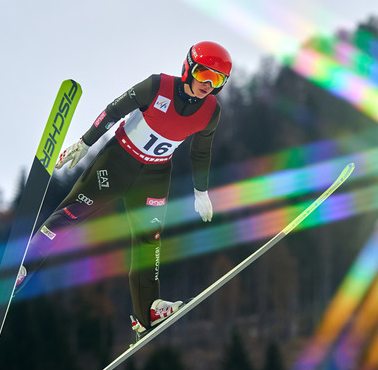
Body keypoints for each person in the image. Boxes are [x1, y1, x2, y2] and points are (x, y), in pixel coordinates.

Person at [14, 41, 232, 340]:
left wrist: (201, 191)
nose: (208, 84)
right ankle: (22, 269)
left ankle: (148, 312)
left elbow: (201, 152)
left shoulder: (210, 112)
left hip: (155, 175)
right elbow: (114, 110)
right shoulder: (157, 86)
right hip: (118, 162)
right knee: (71, 213)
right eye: (204, 74)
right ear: (188, 68)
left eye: (217, 79)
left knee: (149, 239)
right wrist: (85, 142)